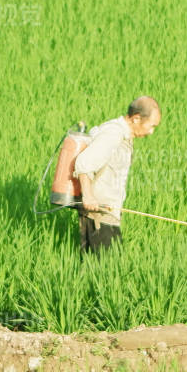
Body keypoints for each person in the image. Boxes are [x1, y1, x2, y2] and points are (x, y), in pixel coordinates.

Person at [71, 95, 161, 255]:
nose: (151, 132)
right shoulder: (113, 134)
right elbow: (84, 163)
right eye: (151, 126)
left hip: (107, 213)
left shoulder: (122, 135)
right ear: (136, 119)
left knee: (101, 270)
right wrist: (88, 196)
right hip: (99, 215)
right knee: (108, 269)